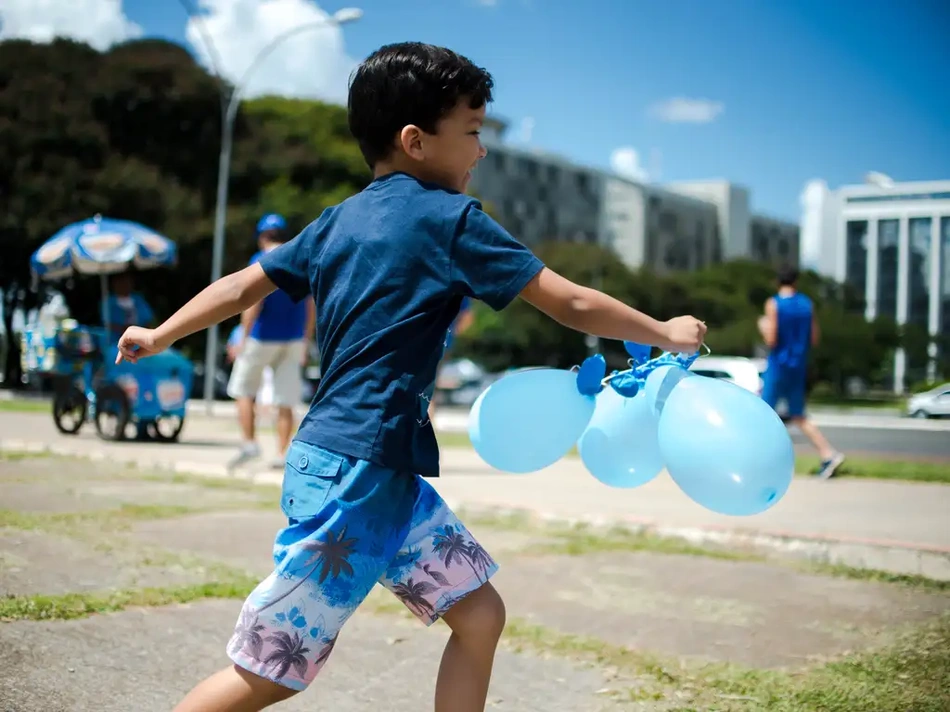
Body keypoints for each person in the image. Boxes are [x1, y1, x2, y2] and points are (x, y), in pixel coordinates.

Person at [115, 42, 706, 712]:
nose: (482, 150)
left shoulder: (337, 220)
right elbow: (567, 301)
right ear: (416, 141)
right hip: (358, 476)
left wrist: (161, 332)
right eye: (474, 132)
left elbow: (240, 287)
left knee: (480, 616)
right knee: (273, 666)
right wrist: (664, 332)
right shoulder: (451, 221)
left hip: (372, 469)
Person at [226, 214, 316, 470]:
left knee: (243, 390)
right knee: (286, 398)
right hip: (293, 339)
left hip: (261, 337)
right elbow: (310, 306)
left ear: (262, 237)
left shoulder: (260, 260)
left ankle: (249, 443)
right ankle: (281, 452)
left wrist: (241, 337)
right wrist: (306, 338)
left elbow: (253, 302)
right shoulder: (300, 261)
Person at [758, 265, 845, 479]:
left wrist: (762, 325)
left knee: (762, 412)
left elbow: (771, 339)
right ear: (796, 282)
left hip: (779, 364)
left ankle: (759, 462)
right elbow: (814, 338)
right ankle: (828, 454)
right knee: (799, 415)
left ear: (777, 282)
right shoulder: (807, 304)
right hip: (799, 364)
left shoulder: (774, 304)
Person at [428, 295, 475, 422]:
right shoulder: (458, 288)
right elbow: (467, 319)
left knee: (425, 386)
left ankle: (426, 420)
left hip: (429, 340)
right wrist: (452, 334)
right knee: (430, 386)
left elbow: (467, 318)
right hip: (444, 342)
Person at [102, 271, 155, 343]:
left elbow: (148, 320)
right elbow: (108, 323)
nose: (125, 285)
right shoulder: (109, 302)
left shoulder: (138, 299)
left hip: (142, 338)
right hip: (116, 341)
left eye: (127, 282)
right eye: (121, 282)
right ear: (114, 284)